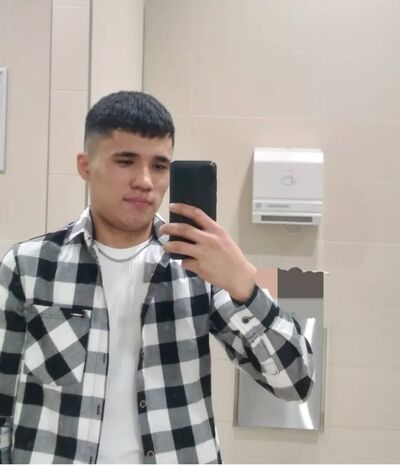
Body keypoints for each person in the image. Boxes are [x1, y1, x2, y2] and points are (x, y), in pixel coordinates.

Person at [0, 91, 314, 464]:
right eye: (126, 161)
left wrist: (244, 284)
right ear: (85, 166)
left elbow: (296, 383)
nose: (145, 181)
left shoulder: (199, 267)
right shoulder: (30, 266)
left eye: (160, 165)